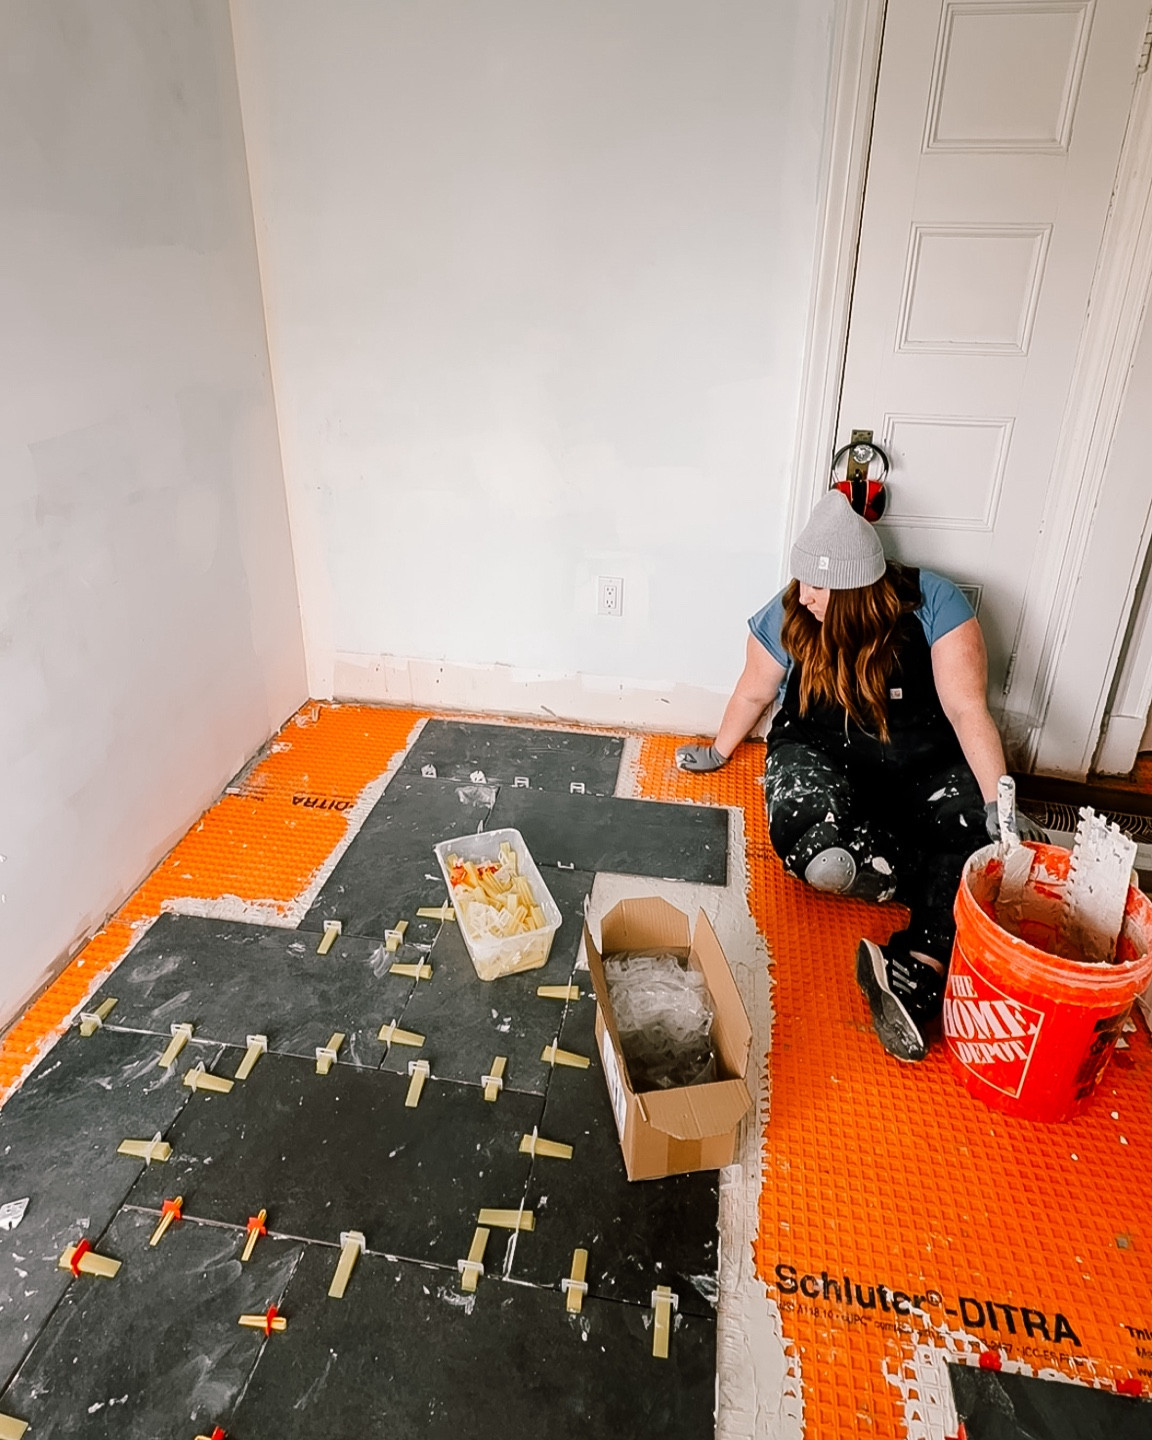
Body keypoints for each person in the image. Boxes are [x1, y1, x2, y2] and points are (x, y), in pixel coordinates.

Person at [675, 491, 1042, 1063]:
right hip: (821, 757)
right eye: (802, 581)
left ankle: (917, 968)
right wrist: (719, 750)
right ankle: (948, 885)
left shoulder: (935, 604)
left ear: (858, 589)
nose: (806, 596)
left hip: (924, 766)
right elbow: (755, 687)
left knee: (977, 830)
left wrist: (999, 800)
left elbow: (969, 709)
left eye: (820, 587)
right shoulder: (792, 609)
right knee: (818, 852)